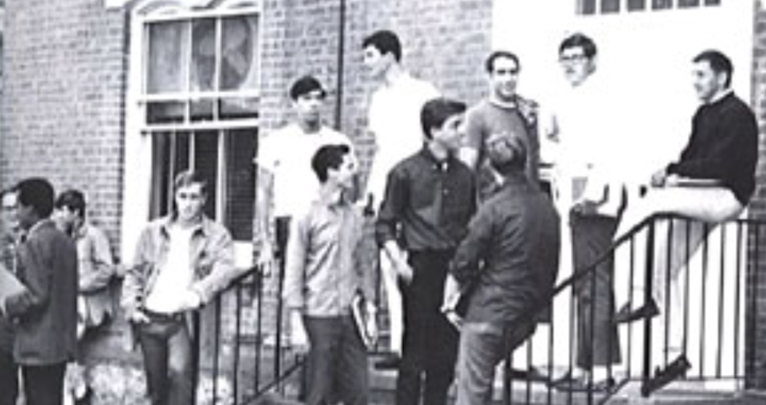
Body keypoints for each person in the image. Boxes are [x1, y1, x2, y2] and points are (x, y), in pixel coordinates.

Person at [613, 50, 758, 389]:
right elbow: (691, 158)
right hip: (702, 194)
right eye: (693, 75)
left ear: (721, 78)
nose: (695, 82)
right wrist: (677, 172)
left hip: (726, 197)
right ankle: (674, 355)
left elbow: (721, 167)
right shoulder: (703, 114)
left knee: (645, 207)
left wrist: (673, 172)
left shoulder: (738, 115)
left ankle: (634, 294)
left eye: (701, 75)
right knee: (665, 271)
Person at [446, 131, 560, 405]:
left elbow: (465, 260)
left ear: (490, 167)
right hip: (527, 311)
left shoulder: (494, 207)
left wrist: (451, 298)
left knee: (470, 391)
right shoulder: (547, 207)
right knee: (474, 380)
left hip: (491, 310)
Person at [376, 98, 476, 405]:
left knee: (445, 354)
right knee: (415, 353)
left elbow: (471, 222)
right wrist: (400, 262)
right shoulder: (405, 172)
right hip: (420, 266)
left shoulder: (464, 174)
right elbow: (384, 224)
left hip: (454, 269)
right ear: (433, 131)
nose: (463, 131)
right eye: (455, 125)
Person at [121, 170, 241, 405]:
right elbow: (134, 273)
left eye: (194, 197)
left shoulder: (216, 235)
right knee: (156, 388)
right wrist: (131, 307)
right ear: (174, 197)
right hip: (150, 317)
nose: (187, 204)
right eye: (183, 196)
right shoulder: (152, 232)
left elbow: (225, 269)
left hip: (182, 320)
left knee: (180, 379)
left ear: (204, 199)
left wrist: (199, 291)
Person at [547, 33, 624, 391]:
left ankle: (599, 369)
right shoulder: (570, 99)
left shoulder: (603, 96)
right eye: (565, 57)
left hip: (595, 200)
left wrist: (593, 195)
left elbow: (609, 150)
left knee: (594, 283)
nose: (571, 63)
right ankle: (589, 366)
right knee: (585, 283)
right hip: (575, 197)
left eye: (578, 57)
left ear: (592, 60)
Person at [362, 29, 440, 368]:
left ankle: (423, 345)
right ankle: (399, 345)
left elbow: (436, 141)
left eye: (370, 56)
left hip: (420, 190)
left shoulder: (423, 92)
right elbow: (382, 150)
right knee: (389, 264)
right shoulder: (378, 100)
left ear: (390, 55)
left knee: (420, 266)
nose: (366, 64)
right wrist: (371, 189)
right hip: (388, 188)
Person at [283, 144, 376, 405]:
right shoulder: (306, 215)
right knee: (318, 393)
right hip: (318, 317)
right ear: (331, 171)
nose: (354, 171)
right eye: (348, 166)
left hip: (350, 316)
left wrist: (370, 309)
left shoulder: (354, 215)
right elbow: (294, 269)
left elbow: (364, 263)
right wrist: (296, 322)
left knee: (358, 391)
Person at [254, 75, 354, 276]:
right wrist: (265, 242)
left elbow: (350, 190)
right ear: (294, 104)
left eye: (318, 98)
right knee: (294, 286)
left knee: (327, 286)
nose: (313, 104)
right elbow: (263, 193)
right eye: (307, 99)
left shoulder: (337, 140)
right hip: (291, 220)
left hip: (328, 221)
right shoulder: (276, 141)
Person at [1, 178, 78, 405]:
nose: (16, 214)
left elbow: (36, 295)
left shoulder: (35, 242)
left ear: (30, 209)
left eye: (18, 207)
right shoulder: (64, 241)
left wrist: (7, 304)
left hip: (37, 347)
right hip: (59, 345)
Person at [54, 189, 117, 403]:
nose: (60, 217)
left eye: (63, 211)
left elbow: (107, 269)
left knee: (67, 345)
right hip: (67, 302)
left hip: (87, 303)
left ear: (76, 212)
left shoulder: (94, 236)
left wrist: (79, 286)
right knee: (66, 346)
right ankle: (76, 391)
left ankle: (75, 391)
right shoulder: (61, 237)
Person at [460, 50, 541, 202]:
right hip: (495, 206)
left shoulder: (527, 112)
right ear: (490, 76)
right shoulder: (477, 115)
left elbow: (533, 160)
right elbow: (467, 166)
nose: (508, 79)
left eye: (513, 72)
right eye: (501, 73)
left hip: (528, 202)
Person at [0, 188, 20, 405]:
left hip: (27, 326)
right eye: (7, 208)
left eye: (16, 207)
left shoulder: (30, 240)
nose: (13, 213)